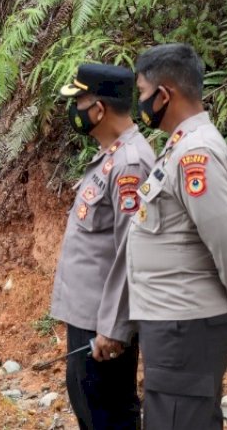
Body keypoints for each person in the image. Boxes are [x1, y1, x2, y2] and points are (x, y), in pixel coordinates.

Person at [126, 43, 227, 430]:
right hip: (175, 323)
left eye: (143, 94)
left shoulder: (197, 154)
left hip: (186, 325)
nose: (140, 104)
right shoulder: (180, 147)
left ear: (165, 94)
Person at [50, 64, 154, 429]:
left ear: (99, 108)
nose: (74, 108)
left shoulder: (130, 164)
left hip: (103, 326)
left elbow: (132, 252)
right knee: (89, 410)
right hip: (87, 318)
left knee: (109, 417)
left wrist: (114, 327)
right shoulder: (111, 156)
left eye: (78, 100)